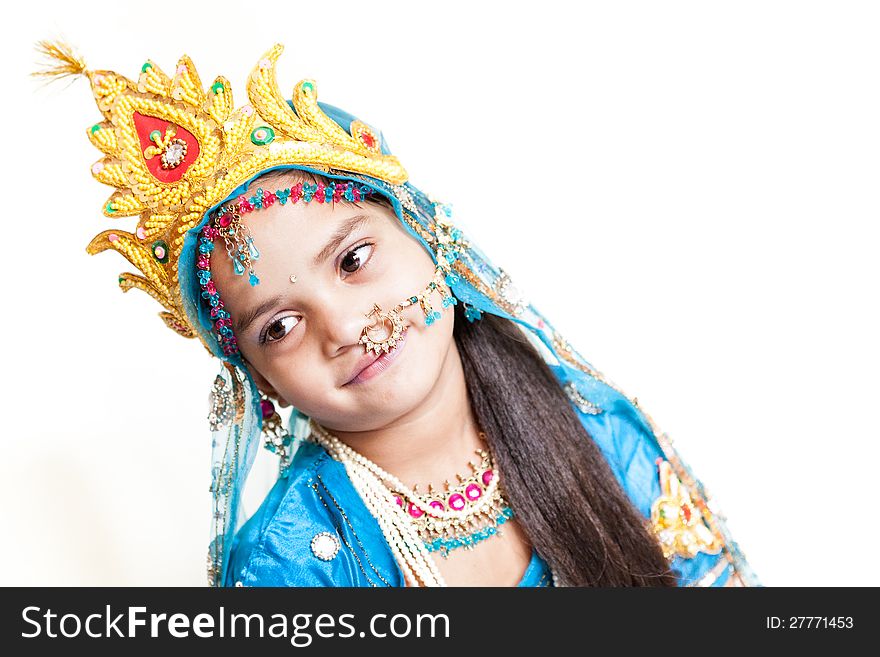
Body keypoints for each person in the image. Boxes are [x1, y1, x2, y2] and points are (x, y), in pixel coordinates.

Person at [34, 40, 759, 588]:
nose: (345, 326)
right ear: (263, 384)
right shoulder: (285, 564)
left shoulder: (593, 426)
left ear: (427, 235)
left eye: (353, 261)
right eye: (279, 327)